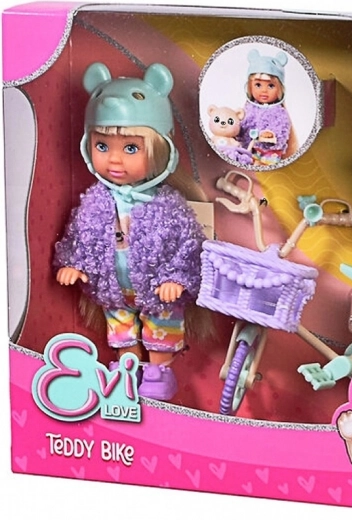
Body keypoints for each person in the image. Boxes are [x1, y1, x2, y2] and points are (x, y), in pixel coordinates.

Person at [54, 62, 206, 401]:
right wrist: (74, 263)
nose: (115, 160)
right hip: (113, 290)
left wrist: (176, 278)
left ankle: (159, 371)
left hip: (158, 291)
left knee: (161, 329)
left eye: (131, 148)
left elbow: (189, 245)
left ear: (159, 149)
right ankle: (127, 368)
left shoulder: (167, 204)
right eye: (102, 146)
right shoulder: (95, 201)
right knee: (120, 329)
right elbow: (82, 236)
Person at [239, 49, 297, 165]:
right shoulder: (248, 109)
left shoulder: (279, 112)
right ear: (250, 87)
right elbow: (242, 126)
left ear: (279, 89)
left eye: (271, 86)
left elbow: (282, 130)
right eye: (258, 85)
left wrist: (271, 134)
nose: (264, 90)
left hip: (269, 154)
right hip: (248, 150)